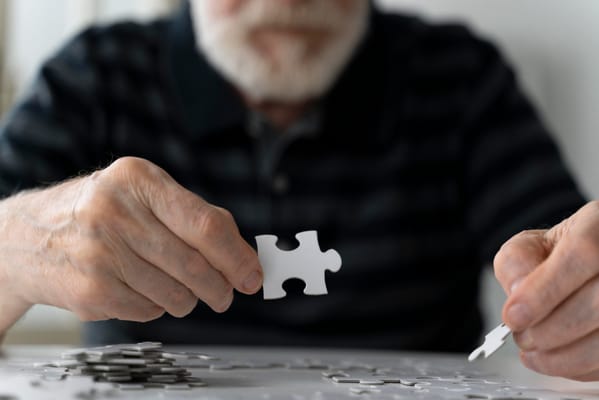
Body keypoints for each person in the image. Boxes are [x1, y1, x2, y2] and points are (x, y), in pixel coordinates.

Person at [0, 0, 596, 381]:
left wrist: (579, 293)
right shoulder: (95, 73)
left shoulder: (462, 78)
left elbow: (562, 257)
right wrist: (19, 243)